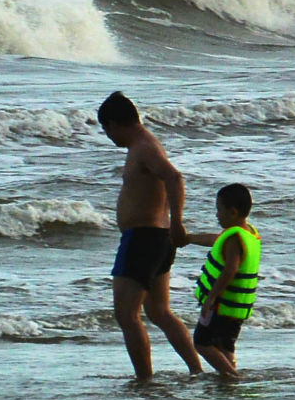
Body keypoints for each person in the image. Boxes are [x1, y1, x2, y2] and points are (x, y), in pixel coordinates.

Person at [97, 90, 204, 381]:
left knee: (126, 314)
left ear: (115, 124)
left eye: (107, 130)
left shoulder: (144, 147)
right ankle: (196, 370)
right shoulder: (144, 145)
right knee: (158, 311)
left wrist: (178, 222)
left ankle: (144, 379)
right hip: (155, 238)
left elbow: (174, 177)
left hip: (144, 238)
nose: (109, 137)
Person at [185, 183, 261, 377]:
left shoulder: (234, 239)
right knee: (225, 345)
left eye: (219, 209)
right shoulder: (248, 233)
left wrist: (211, 297)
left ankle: (232, 376)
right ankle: (228, 378)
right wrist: (190, 238)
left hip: (220, 304)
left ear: (232, 212)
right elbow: (215, 240)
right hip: (236, 307)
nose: (217, 215)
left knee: (202, 343)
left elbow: (230, 270)